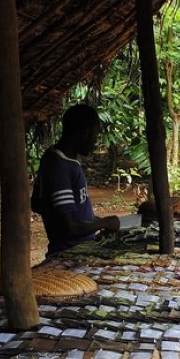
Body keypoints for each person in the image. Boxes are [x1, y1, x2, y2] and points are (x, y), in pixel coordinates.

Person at [31, 104, 120, 256]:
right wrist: (104, 223)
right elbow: (70, 227)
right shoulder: (59, 166)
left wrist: (95, 223)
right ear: (85, 133)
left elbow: (37, 204)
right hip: (70, 252)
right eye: (95, 135)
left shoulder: (58, 158)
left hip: (79, 247)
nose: (95, 142)